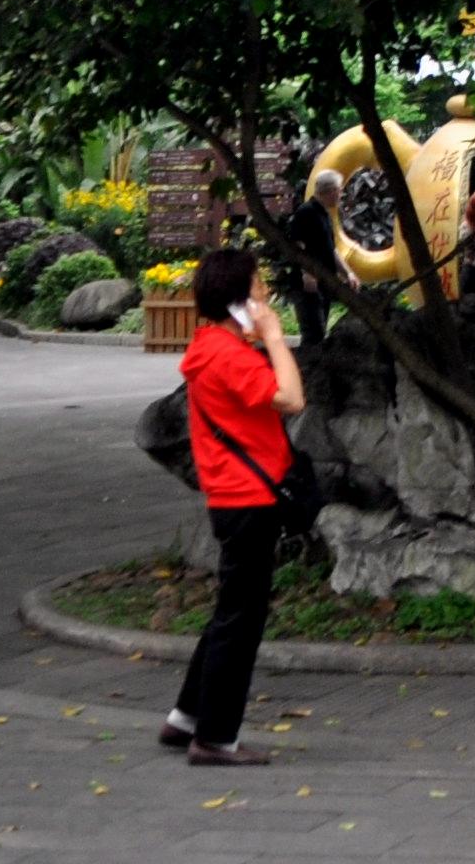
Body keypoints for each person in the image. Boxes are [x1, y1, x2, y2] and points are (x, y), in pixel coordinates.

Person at [161, 247, 305, 769]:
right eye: (260, 284)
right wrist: (273, 335)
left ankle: (187, 718)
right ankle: (216, 737)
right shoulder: (231, 355)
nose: (266, 293)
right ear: (240, 297)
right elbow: (291, 397)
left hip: (234, 495)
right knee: (241, 622)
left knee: (230, 611)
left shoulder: (209, 347)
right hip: (249, 498)